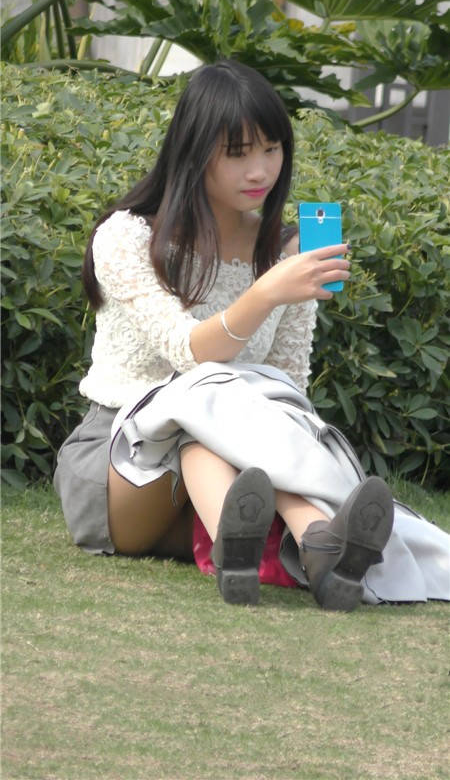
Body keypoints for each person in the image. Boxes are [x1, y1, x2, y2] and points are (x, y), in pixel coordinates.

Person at [54, 59, 448, 611]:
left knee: (242, 412)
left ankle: (305, 548)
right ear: (195, 153)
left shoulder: (284, 252)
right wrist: (266, 293)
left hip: (228, 475)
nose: (259, 170)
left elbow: (285, 385)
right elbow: (188, 352)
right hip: (121, 464)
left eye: (272, 149)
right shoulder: (128, 237)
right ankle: (308, 535)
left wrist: (284, 280)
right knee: (200, 400)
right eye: (237, 153)